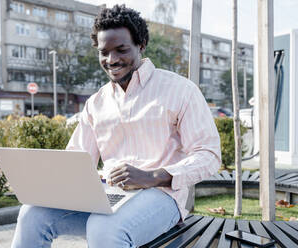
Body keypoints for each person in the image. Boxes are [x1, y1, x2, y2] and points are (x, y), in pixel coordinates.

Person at [12, 4, 221, 248]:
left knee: (104, 226)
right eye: (104, 52)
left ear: (141, 44)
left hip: (162, 197)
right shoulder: (96, 103)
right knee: (32, 214)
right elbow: (78, 158)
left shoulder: (180, 90)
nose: (111, 60)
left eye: (121, 50)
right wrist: (48, 181)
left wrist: (152, 176)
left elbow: (209, 155)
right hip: (107, 196)